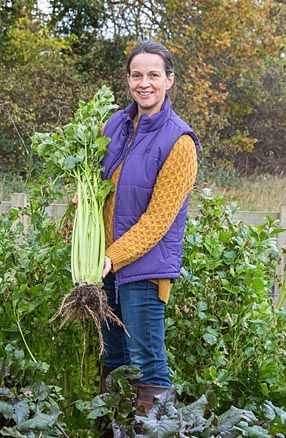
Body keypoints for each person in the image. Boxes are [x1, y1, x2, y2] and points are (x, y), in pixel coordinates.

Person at [99, 40, 199, 414]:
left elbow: (159, 219)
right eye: (137, 75)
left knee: (146, 359)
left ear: (168, 81)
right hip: (105, 264)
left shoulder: (179, 141)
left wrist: (114, 256)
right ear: (128, 80)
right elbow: (102, 184)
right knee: (113, 355)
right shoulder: (114, 124)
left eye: (154, 75)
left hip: (144, 268)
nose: (145, 83)